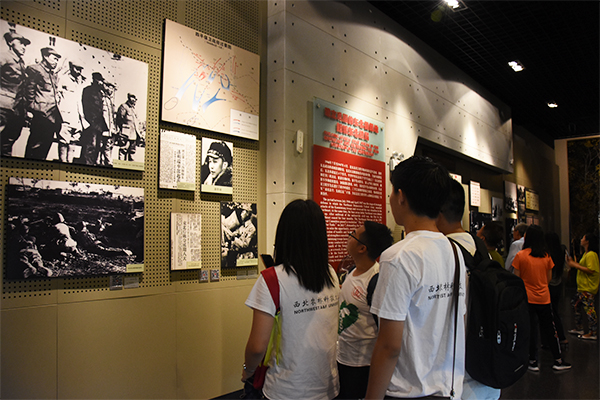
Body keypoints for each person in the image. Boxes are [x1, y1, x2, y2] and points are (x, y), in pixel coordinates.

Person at [365, 156, 467, 399]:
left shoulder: (398, 257)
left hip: (408, 392)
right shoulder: (454, 251)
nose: (390, 198)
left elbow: (389, 346)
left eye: (392, 191)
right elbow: (460, 320)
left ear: (401, 196)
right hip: (449, 390)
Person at [242, 199, 340, 399]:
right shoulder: (330, 274)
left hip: (286, 390)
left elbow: (257, 347)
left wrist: (247, 370)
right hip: (328, 387)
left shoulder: (272, 279)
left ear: (284, 235)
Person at [436, 178, 500, 400]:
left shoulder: (443, 252)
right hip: (489, 370)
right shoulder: (480, 247)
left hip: (458, 378)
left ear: (437, 212)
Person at [337, 221, 393, 400]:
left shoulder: (376, 281)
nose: (349, 237)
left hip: (363, 365)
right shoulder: (352, 271)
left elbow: (384, 331)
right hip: (343, 358)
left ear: (362, 248)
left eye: (353, 234)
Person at [512, 225, 571, 371]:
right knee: (550, 329)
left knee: (532, 329)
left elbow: (516, 279)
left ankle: (532, 361)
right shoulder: (546, 256)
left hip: (527, 298)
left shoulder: (521, 256)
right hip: (544, 297)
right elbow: (548, 278)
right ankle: (558, 359)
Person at [23, 47, 63, 160]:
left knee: (45, 147)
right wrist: (32, 109)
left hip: (52, 117)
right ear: (45, 56)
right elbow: (29, 91)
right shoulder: (35, 70)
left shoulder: (52, 74)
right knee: (35, 146)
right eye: (54, 58)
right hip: (40, 115)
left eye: (57, 60)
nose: (56, 62)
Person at [0, 29, 30, 157]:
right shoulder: (3, 57)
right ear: (11, 43)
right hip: (3, 107)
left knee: (9, 141)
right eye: (21, 43)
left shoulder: (21, 62)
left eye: (25, 45)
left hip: (17, 109)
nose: (24, 47)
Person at [566, 232, 599, 340]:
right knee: (576, 304)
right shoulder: (586, 254)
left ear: (587, 241)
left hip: (587, 287)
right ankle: (579, 327)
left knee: (589, 309)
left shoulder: (591, 255)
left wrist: (575, 265)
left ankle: (593, 332)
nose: (581, 240)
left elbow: (591, 270)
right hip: (582, 287)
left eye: (583, 238)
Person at [57, 59, 86, 163]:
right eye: (77, 69)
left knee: (74, 141)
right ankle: (62, 162)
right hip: (65, 116)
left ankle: (69, 162)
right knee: (63, 141)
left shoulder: (80, 83)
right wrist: (60, 115)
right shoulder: (63, 79)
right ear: (71, 68)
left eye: (80, 69)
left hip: (76, 117)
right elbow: (57, 97)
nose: (79, 71)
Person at [545, 232, 568, 347]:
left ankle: (551, 340)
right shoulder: (562, 251)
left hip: (548, 285)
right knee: (555, 311)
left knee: (548, 313)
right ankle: (561, 337)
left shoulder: (547, 254)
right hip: (558, 284)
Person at [80, 72, 108, 165]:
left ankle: (92, 164)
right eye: (100, 81)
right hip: (91, 123)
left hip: (99, 124)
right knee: (90, 145)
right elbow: (85, 106)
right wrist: (89, 121)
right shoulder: (87, 90)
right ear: (95, 80)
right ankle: (87, 164)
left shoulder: (100, 93)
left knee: (97, 147)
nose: (101, 83)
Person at [116, 93, 140, 162]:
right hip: (126, 133)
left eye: (135, 99)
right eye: (133, 98)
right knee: (123, 149)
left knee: (132, 151)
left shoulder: (134, 109)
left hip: (134, 134)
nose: (134, 100)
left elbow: (136, 122)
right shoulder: (123, 106)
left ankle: (130, 166)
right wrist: (122, 130)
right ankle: (121, 165)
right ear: (129, 98)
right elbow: (119, 119)